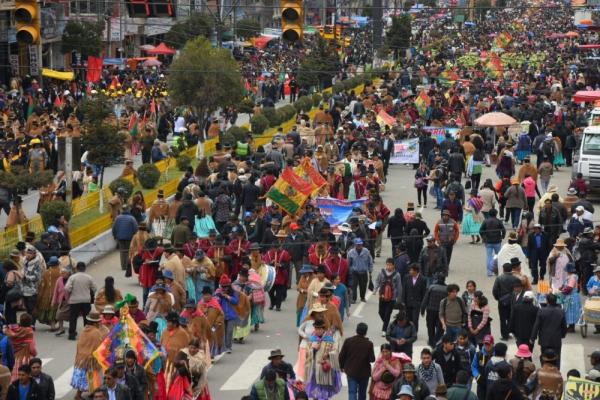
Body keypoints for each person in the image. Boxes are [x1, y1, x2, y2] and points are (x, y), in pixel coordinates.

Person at [71, 311, 106, 400]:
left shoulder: (85, 329)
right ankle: (90, 395)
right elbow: (98, 346)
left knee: (85, 378)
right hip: (90, 359)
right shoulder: (96, 332)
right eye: (98, 322)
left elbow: (80, 344)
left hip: (82, 358)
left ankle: (84, 394)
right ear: (95, 322)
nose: (100, 323)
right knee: (93, 377)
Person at [303, 319, 341, 399]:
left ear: (323, 329)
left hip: (325, 370)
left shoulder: (330, 340)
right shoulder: (311, 340)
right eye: (316, 329)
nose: (318, 331)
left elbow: (336, 351)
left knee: (324, 393)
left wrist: (328, 354)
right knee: (315, 393)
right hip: (314, 370)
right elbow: (307, 354)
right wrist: (314, 350)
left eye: (319, 329)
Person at [339, 322, 376, 400]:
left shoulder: (348, 341)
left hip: (351, 371)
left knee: (352, 392)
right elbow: (372, 359)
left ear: (356, 330)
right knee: (362, 394)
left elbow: (342, 356)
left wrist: (341, 367)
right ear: (366, 332)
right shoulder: (369, 344)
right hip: (364, 373)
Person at [530, 293, 567, 368]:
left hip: (544, 340)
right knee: (557, 357)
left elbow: (536, 325)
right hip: (556, 340)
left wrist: (532, 338)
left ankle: (545, 371)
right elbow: (564, 326)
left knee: (545, 357)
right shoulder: (561, 311)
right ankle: (556, 372)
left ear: (547, 301)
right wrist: (562, 335)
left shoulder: (541, 311)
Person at [65, 262, 97, 341]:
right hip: (86, 300)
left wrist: (71, 291)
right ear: (84, 268)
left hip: (74, 300)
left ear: (76, 268)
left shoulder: (73, 277)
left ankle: (72, 334)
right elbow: (94, 288)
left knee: (73, 318)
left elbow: (67, 288)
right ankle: (87, 334)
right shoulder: (89, 277)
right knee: (86, 318)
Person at [492, 263, 520, 341]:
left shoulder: (499, 278)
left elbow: (494, 290)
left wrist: (498, 298)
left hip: (502, 301)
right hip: (513, 301)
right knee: (511, 317)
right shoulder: (515, 278)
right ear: (511, 269)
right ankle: (511, 332)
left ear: (503, 269)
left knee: (503, 319)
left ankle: (505, 335)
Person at [375, 258, 402, 335]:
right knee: (380, 312)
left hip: (392, 298)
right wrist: (375, 289)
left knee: (387, 313)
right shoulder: (382, 272)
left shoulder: (397, 275)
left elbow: (399, 287)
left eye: (390, 265)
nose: (388, 266)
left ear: (393, 266)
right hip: (382, 296)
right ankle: (389, 325)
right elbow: (377, 280)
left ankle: (384, 330)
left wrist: (399, 299)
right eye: (387, 265)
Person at [420, 273, 447, 347]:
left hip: (431, 310)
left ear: (437, 278)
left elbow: (425, 299)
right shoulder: (447, 289)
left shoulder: (431, 287)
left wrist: (422, 309)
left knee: (430, 326)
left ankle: (431, 341)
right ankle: (436, 340)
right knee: (441, 327)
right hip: (441, 311)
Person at [479, 209, 506, 276]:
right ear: (496, 214)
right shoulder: (498, 221)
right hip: (497, 241)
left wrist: (484, 238)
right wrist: (502, 236)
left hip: (488, 241)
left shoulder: (485, 221)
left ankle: (489, 272)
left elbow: (481, 230)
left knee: (489, 257)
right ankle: (499, 271)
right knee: (498, 256)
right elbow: (504, 230)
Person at [112, 206, 139, 271]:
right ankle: (128, 265)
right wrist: (136, 237)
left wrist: (115, 236)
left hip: (120, 238)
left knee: (122, 252)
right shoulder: (132, 218)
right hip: (129, 238)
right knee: (128, 251)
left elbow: (114, 228)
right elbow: (136, 228)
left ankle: (123, 266)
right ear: (128, 210)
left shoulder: (117, 218)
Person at [402, 264, 427, 332]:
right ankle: (408, 331)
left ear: (416, 271)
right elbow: (404, 290)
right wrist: (403, 301)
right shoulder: (406, 277)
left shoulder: (423, 279)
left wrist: (423, 304)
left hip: (417, 303)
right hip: (408, 302)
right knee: (408, 318)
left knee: (415, 319)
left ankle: (414, 332)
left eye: (411, 270)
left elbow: (424, 292)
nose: (410, 271)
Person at [347, 238, 373, 303]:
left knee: (363, 286)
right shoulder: (351, 252)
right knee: (354, 286)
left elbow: (370, 261)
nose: (359, 246)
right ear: (355, 245)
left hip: (363, 272)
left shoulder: (366, 251)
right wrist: (349, 271)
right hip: (354, 272)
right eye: (358, 245)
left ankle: (362, 297)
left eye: (360, 244)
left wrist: (370, 270)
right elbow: (348, 263)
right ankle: (353, 298)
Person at [559, 262, 581, 333]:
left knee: (571, 312)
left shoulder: (572, 277)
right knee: (569, 312)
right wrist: (561, 287)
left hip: (572, 297)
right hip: (571, 296)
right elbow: (565, 285)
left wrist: (562, 292)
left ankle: (571, 327)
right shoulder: (570, 276)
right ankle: (570, 326)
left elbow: (569, 288)